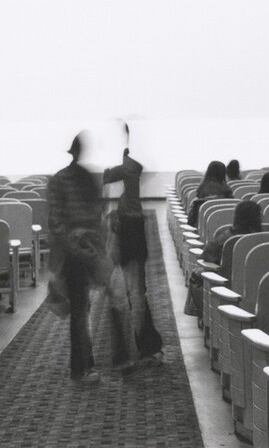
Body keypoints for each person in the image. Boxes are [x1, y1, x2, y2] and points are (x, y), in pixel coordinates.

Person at [102, 121, 163, 373]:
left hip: (129, 229)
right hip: (130, 227)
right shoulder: (134, 167)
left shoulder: (129, 167)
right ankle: (144, 348)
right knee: (134, 292)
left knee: (129, 293)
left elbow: (107, 176)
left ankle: (134, 350)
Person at [47, 130, 104, 385]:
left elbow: (56, 222)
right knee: (82, 309)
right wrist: (90, 246)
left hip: (73, 253)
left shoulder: (60, 179)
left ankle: (83, 363)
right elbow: (97, 214)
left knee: (81, 309)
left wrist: (73, 245)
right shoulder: (88, 178)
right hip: (85, 251)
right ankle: (81, 366)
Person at [184, 200, 263, 317]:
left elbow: (205, 257)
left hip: (228, 286)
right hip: (258, 288)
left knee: (197, 275)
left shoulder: (226, 239)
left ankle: (204, 315)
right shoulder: (264, 238)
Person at [187, 160, 234, 226]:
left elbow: (191, 221)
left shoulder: (201, 190)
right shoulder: (227, 191)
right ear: (223, 173)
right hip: (223, 226)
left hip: (202, 228)